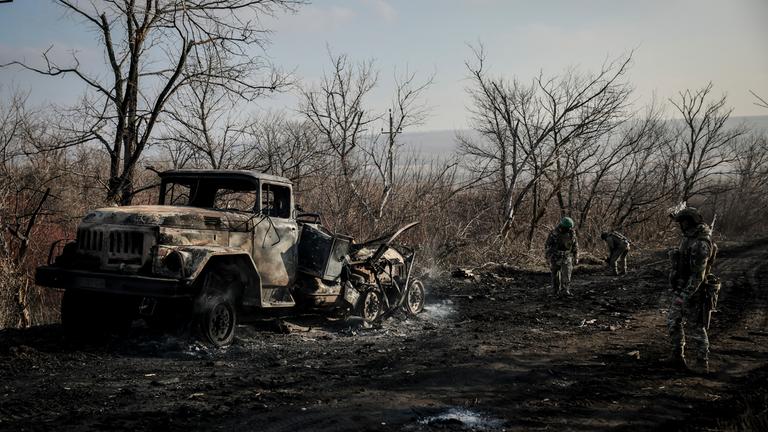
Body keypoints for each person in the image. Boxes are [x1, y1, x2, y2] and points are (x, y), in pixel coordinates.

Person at [667, 207, 719, 373]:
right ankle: (676, 356)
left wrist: (684, 296)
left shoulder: (701, 243)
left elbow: (697, 276)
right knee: (673, 321)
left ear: (688, 222)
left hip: (695, 291)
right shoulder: (689, 238)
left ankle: (702, 362)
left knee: (696, 327)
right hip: (682, 287)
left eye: (682, 221)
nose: (680, 225)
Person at [545, 217, 579, 296]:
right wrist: (548, 257)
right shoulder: (554, 233)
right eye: (568, 228)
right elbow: (547, 245)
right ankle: (555, 290)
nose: (569, 229)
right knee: (555, 275)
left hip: (567, 256)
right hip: (555, 256)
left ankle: (565, 290)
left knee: (567, 274)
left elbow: (575, 245)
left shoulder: (572, 233)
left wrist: (576, 256)